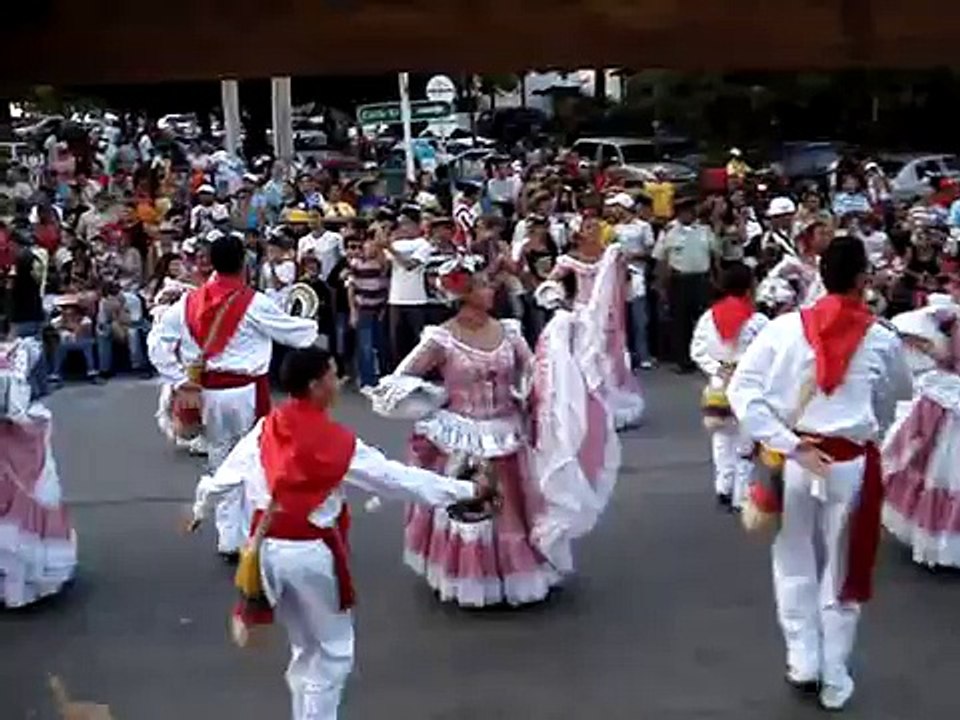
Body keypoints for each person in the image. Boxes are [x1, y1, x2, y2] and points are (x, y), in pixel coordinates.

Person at [189, 346, 483, 720]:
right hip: (310, 553)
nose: (338, 381)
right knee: (332, 652)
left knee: (306, 647)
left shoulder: (268, 427)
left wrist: (202, 508)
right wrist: (468, 490)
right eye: (332, 375)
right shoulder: (335, 442)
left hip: (265, 549)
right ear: (315, 386)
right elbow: (397, 479)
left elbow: (225, 477)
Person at [726, 236, 912, 711]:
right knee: (843, 571)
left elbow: (743, 390)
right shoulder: (882, 337)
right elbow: (895, 397)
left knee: (792, 559)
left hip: (797, 460)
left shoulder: (783, 329)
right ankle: (833, 672)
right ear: (861, 280)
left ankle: (803, 659)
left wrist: (787, 443)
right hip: (849, 462)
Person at [370, 258, 561, 607]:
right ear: (466, 293)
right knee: (472, 512)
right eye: (485, 284)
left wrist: (529, 395)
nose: (492, 290)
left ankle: (515, 572)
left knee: (511, 509)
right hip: (462, 438)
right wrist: (434, 403)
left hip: (507, 433)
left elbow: (535, 373)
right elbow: (399, 380)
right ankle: (474, 578)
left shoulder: (510, 331)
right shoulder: (441, 338)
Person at [148, 234, 319, 557]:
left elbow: (156, 345)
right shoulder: (254, 302)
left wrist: (180, 380)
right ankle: (254, 534)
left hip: (208, 394)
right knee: (254, 462)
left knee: (220, 462)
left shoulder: (188, 302)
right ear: (244, 263)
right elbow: (297, 335)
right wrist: (310, 317)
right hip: (245, 394)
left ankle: (229, 538)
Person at [0, 319, 77, 607]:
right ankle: (24, 581)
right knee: (26, 507)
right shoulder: (25, 353)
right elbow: (41, 390)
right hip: (21, 439)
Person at [882, 290, 960, 569]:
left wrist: (924, 344)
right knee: (943, 472)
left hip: (949, 399)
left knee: (942, 472)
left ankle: (942, 541)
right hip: (949, 400)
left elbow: (945, 356)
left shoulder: (951, 317)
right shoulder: (951, 316)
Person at [553, 214, 645, 428]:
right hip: (582, 314)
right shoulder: (570, 259)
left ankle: (610, 403)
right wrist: (559, 301)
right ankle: (587, 404)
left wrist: (623, 270)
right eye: (588, 228)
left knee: (608, 357)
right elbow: (551, 283)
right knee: (584, 358)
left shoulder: (612, 255)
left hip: (607, 315)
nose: (593, 231)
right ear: (580, 234)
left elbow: (627, 284)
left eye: (596, 227)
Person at [690, 263, 768, 509]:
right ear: (748, 289)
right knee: (746, 441)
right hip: (748, 385)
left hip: (719, 384)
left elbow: (697, 351)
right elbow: (767, 354)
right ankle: (741, 493)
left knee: (722, 436)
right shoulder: (758, 320)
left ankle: (723, 486)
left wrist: (718, 369)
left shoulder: (708, 318)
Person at [654, 197, 717, 373]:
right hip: (679, 280)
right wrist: (661, 285)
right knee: (680, 323)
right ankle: (684, 360)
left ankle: (706, 357)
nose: (687, 214)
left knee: (703, 321)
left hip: (701, 279)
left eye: (689, 210)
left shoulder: (704, 230)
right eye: (683, 211)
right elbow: (661, 259)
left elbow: (715, 254)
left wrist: (715, 279)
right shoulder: (669, 231)